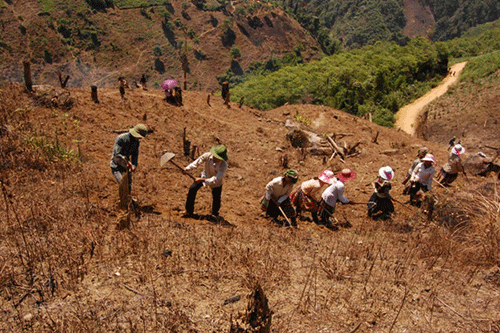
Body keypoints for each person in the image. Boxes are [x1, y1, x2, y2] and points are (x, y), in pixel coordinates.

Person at [183, 145, 228, 219]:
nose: (216, 159)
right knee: (192, 189)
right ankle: (189, 211)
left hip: (216, 182)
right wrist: (187, 168)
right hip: (204, 175)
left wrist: (201, 180)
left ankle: (215, 214)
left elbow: (216, 179)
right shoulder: (207, 156)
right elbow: (197, 162)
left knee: (216, 198)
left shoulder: (223, 165)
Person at [110, 124, 148, 192]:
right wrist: (126, 162)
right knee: (123, 184)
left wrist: (133, 165)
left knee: (129, 185)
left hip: (127, 166)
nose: (139, 139)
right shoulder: (121, 139)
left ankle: (128, 200)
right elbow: (117, 155)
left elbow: (135, 154)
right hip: (117, 166)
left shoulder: (136, 142)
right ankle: (123, 201)